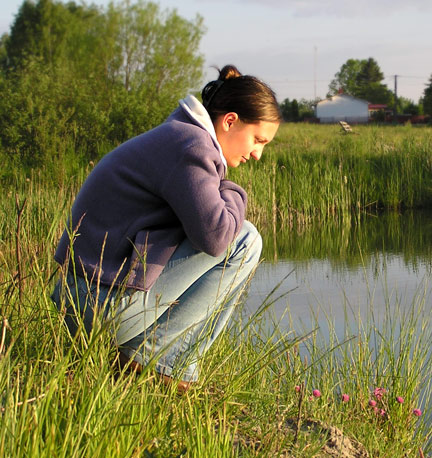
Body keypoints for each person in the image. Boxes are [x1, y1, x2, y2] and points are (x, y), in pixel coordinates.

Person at [51, 65, 280, 392]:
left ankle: (151, 359)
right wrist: (233, 190)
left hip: (78, 298)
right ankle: (159, 360)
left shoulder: (179, 135)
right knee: (245, 239)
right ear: (230, 121)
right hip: (97, 307)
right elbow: (216, 238)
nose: (258, 154)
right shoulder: (192, 145)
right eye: (258, 139)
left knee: (230, 232)